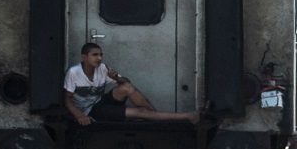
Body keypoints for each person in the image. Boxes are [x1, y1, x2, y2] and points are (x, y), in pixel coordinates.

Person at [63, 42, 198, 124]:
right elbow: (68, 99)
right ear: (84, 57)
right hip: (90, 111)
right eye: (95, 55)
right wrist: (79, 116)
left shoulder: (103, 68)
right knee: (139, 111)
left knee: (126, 87)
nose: (99, 58)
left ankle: (152, 115)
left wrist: (116, 78)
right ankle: (187, 116)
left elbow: (127, 83)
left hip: (99, 102)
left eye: (100, 55)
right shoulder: (74, 73)